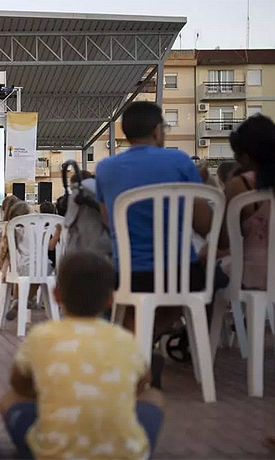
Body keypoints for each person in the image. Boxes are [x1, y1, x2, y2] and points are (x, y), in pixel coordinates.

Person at [0, 251, 164, 459]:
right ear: (110, 299)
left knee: (8, 399)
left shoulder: (41, 336)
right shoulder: (125, 339)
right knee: (155, 397)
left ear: (56, 294)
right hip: (123, 454)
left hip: (52, 454)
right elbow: (141, 385)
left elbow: (18, 384)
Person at [94, 101, 212, 335]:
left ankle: (139, 345)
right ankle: (150, 340)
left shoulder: (105, 168)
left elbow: (108, 221)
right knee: (201, 285)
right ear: (157, 131)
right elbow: (204, 225)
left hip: (128, 274)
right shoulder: (179, 162)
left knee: (128, 304)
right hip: (180, 274)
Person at [220, 114, 275, 290]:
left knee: (208, 276)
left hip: (256, 275)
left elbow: (224, 241)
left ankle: (208, 318)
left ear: (245, 157)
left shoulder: (240, 185)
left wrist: (229, 184)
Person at [0, 201, 39, 320]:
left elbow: (8, 253)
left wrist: (4, 270)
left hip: (19, 268)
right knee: (43, 272)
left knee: (24, 275)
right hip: (37, 267)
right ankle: (29, 299)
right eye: (32, 211)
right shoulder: (36, 227)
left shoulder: (12, 229)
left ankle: (17, 301)